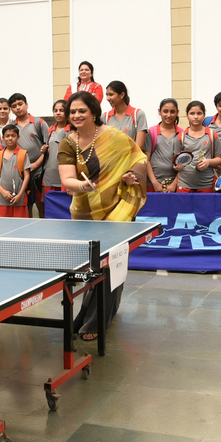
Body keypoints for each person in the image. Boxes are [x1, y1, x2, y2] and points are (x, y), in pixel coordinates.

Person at [58, 91, 147, 339]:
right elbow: (67, 180)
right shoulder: (67, 142)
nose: (76, 115)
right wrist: (84, 186)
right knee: (91, 268)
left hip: (116, 210)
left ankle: (96, 321)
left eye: (81, 111)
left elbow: (138, 159)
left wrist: (131, 176)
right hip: (83, 211)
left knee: (110, 266)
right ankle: (91, 313)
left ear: (94, 112)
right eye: (72, 111)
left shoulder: (114, 136)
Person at [8, 93, 50, 218]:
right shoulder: (11, 127)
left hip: (40, 171)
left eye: (20, 104)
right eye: (14, 106)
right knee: (26, 205)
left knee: (41, 204)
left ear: (26, 105)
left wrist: (36, 164)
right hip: (21, 172)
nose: (18, 108)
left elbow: (48, 147)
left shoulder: (39, 122)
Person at [174, 101, 218, 193]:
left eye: (199, 113)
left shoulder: (212, 135)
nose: (196, 116)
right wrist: (177, 166)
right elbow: (175, 161)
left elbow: (220, 159)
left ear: (204, 115)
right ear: (187, 115)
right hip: (184, 184)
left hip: (207, 184)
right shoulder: (181, 136)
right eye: (192, 113)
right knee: (183, 208)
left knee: (205, 208)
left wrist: (208, 162)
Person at [0, 124, 31, 217]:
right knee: (3, 225)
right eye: (7, 136)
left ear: (18, 137)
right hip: (3, 198)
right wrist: (2, 191)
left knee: (20, 225)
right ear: (3, 138)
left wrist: (20, 195)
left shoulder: (23, 154)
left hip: (19, 198)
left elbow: (27, 176)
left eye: (13, 136)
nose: (10, 138)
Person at [144, 99, 182, 192]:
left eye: (172, 112)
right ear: (159, 112)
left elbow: (184, 163)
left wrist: (174, 184)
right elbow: (146, 160)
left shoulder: (182, 134)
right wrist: (154, 183)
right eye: (165, 111)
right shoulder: (151, 132)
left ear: (177, 112)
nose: (168, 115)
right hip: (153, 184)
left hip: (175, 185)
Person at [103, 81, 148, 150]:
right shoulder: (105, 117)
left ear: (122, 95)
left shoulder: (137, 114)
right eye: (107, 95)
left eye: (111, 95)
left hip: (132, 159)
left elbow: (139, 146)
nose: (108, 98)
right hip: (112, 160)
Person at [42, 99, 69, 195]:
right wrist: (45, 149)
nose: (58, 113)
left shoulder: (72, 130)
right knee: (50, 205)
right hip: (50, 173)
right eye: (55, 111)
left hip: (67, 173)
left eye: (61, 110)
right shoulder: (50, 130)